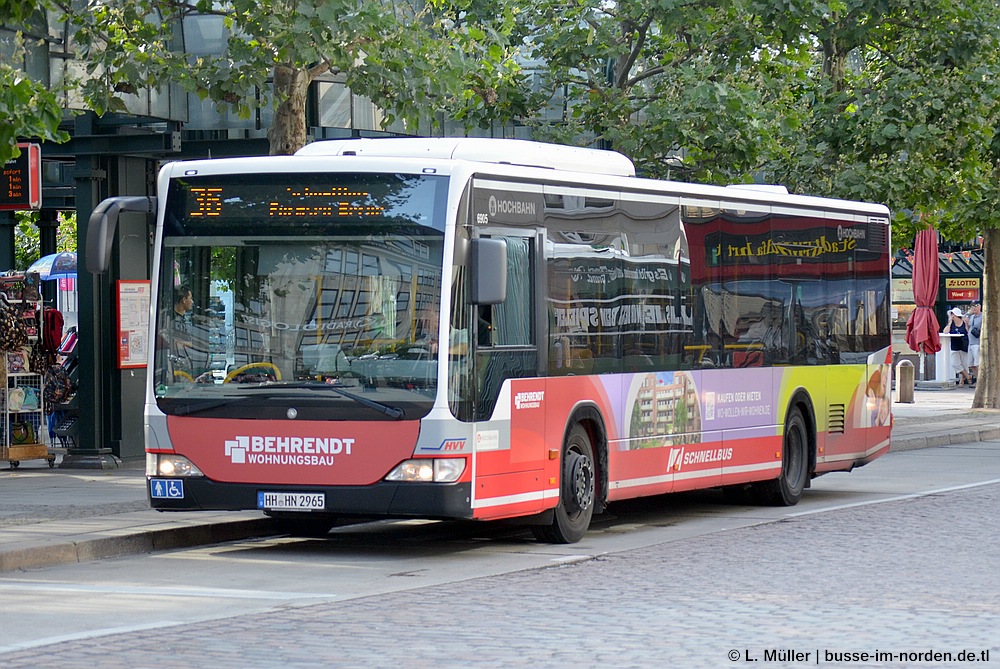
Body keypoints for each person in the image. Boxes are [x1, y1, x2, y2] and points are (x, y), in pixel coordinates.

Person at [942, 307, 971, 386]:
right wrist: (949, 323)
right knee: (955, 363)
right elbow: (945, 332)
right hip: (954, 345)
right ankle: (967, 376)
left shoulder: (964, 322)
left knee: (964, 363)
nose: (951, 316)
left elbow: (968, 332)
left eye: (952, 314)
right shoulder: (951, 324)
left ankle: (962, 379)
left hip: (963, 344)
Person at [966, 301, 982, 385]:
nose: (974, 308)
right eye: (972, 306)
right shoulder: (971, 317)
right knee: (971, 364)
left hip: (978, 343)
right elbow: (968, 328)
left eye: (975, 306)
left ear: (979, 306)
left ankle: (982, 382)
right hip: (970, 343)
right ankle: (979, 380)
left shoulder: (982, 316)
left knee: (977, 364)